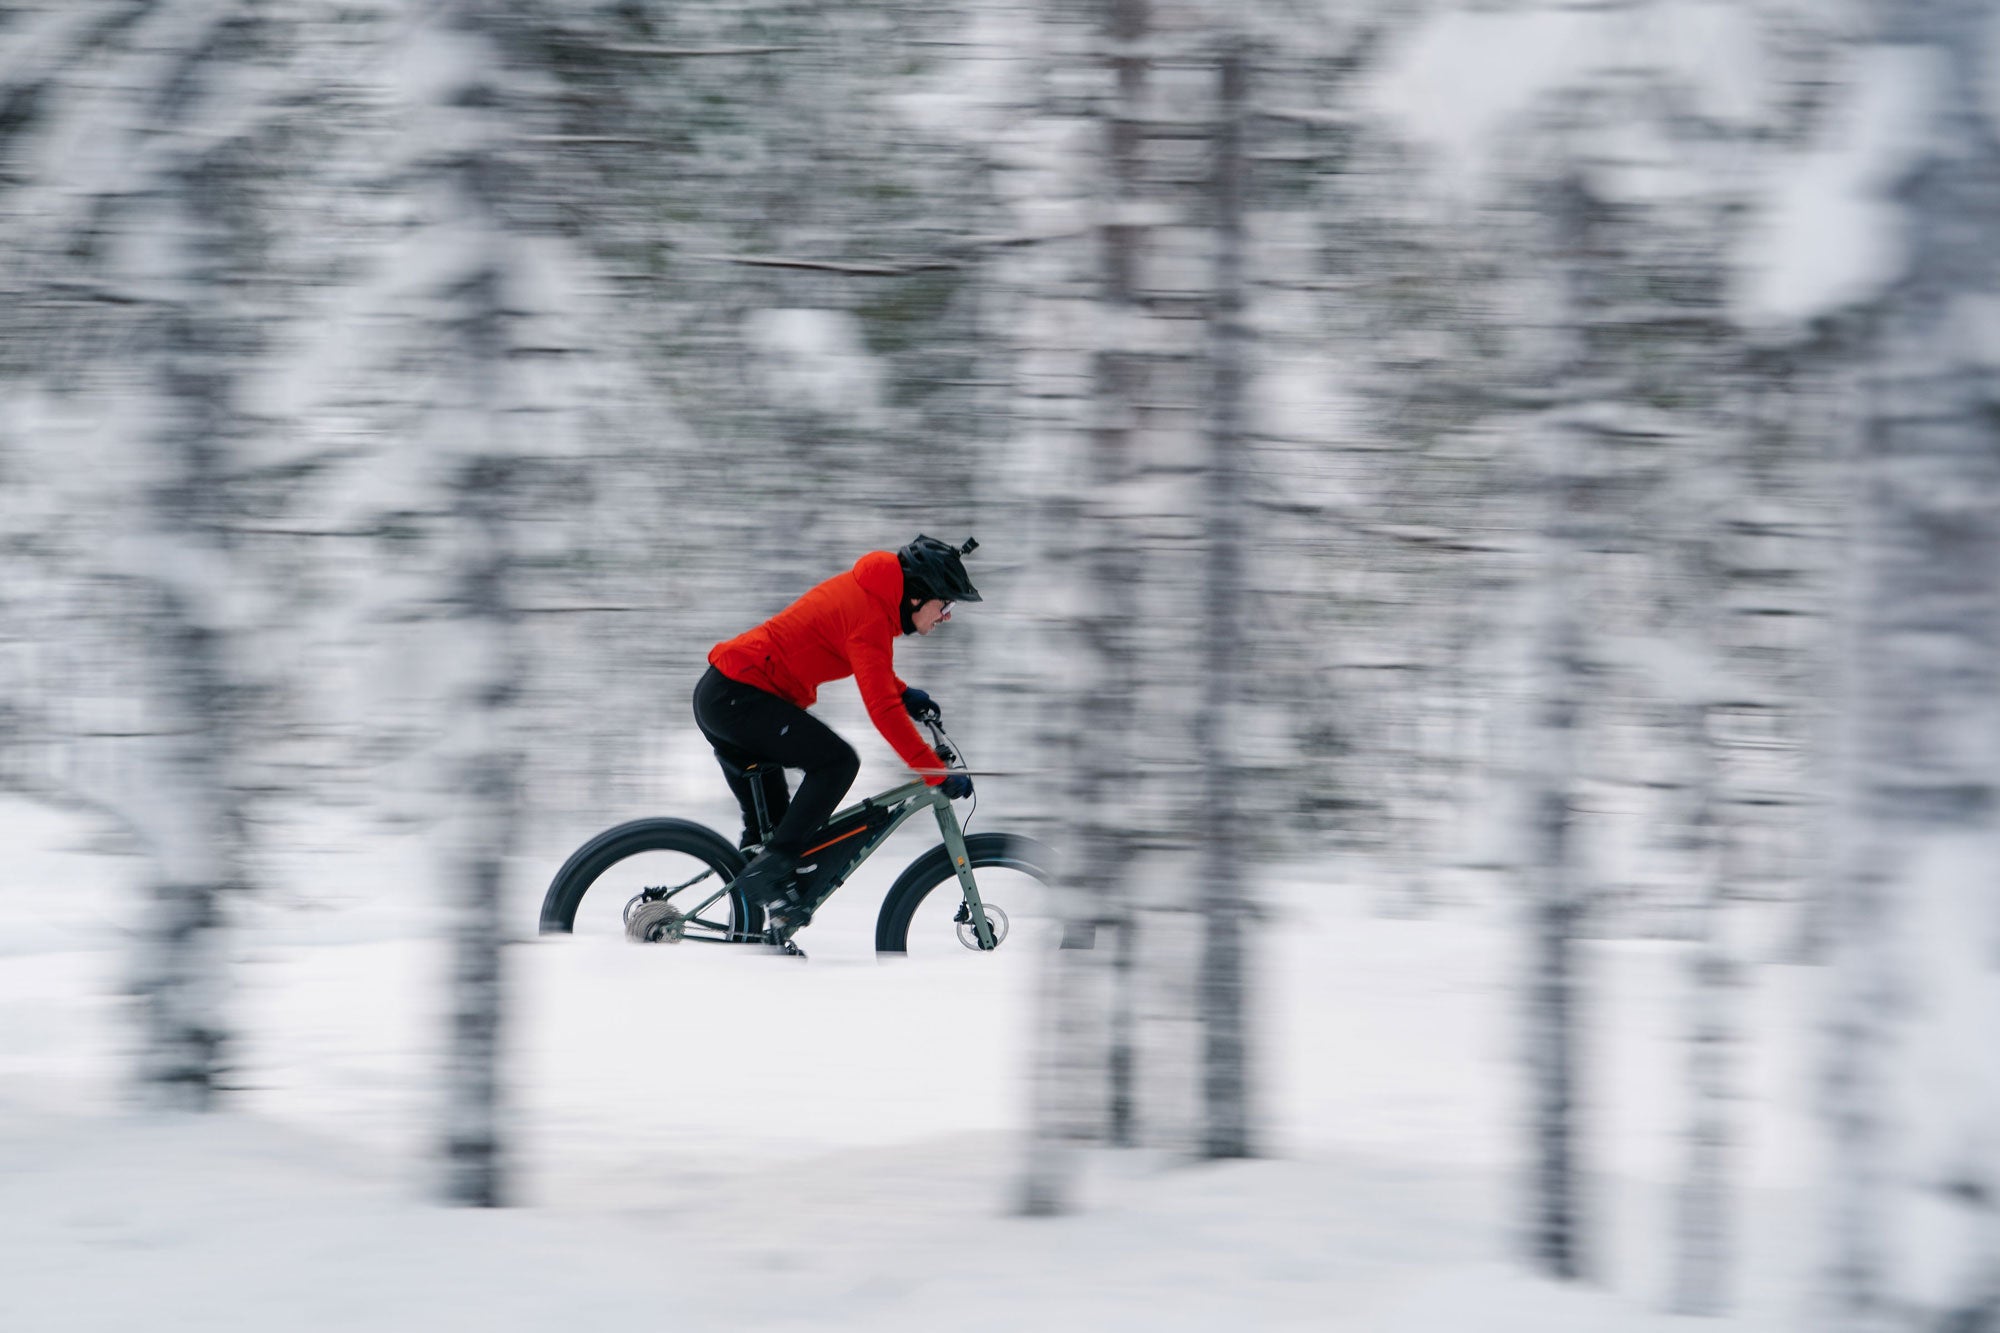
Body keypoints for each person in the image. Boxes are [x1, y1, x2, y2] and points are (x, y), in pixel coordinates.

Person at [693, 534, 980, 939]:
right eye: (945, 603)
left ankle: (759, 931)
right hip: (739, 698)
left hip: (727, 695)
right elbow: (880, 710)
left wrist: (903, 694)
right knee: (837, 762)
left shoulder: (871, 601)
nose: (947, 615)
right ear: (918, 595)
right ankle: (772, 876)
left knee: (772, 837)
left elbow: (873, 671)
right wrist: (932, 770)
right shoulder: (870, 614)